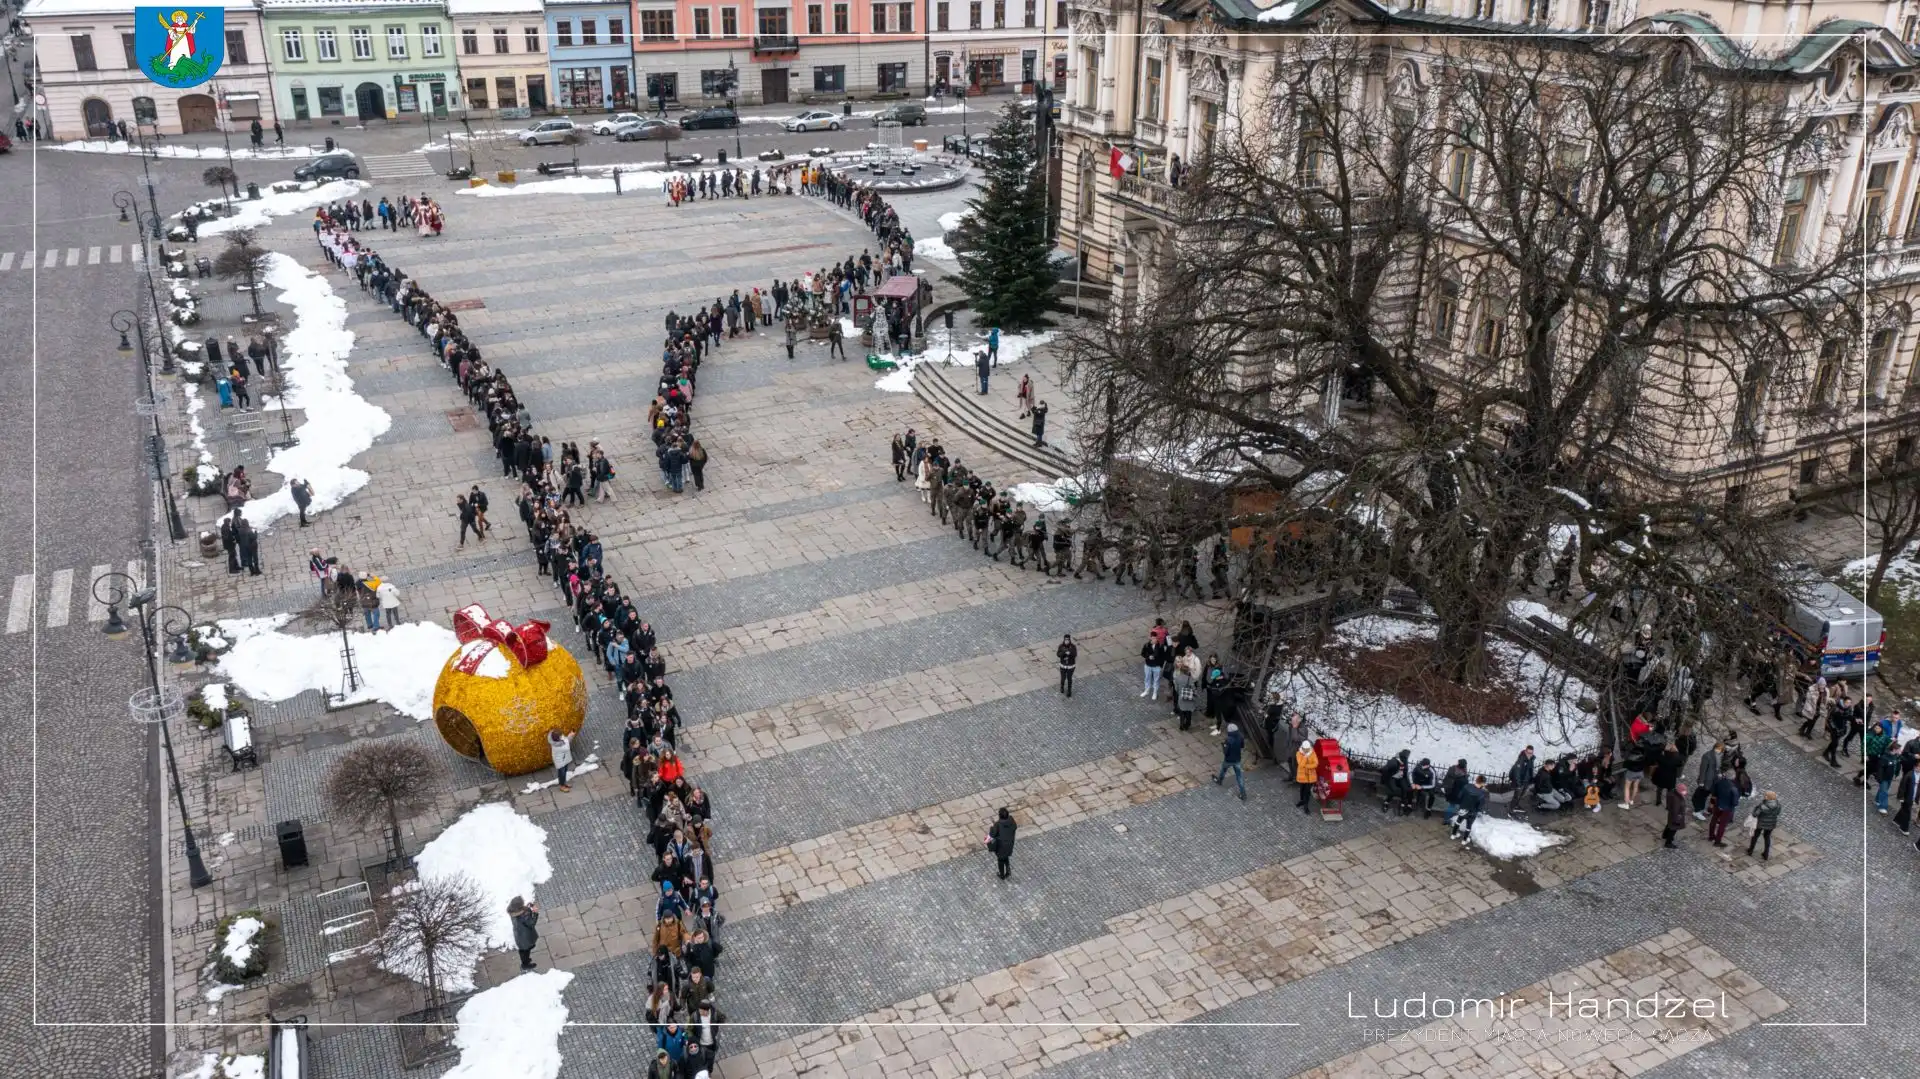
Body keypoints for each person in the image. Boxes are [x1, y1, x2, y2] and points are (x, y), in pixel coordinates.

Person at [1707, 768, 1740, 847]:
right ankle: (1717, 842)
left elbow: (1714, 793)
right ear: (1733, 777)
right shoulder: (1734, 788)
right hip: (1727, 809)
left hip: (1718, 804)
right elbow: (1735, 802)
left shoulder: (1719, 782)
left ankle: (1711, 836)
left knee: (1714, 819)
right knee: (1722, 825)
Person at [1215, 723, 1247, 800]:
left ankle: (1219, 781)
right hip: (1237, 759)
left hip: (1228, 760)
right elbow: (1242, 746)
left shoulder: (1228, 740)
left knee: (1223, 770)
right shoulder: (1241, 737)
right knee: (1239, 776)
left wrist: (1223, 746)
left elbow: (1226, 752)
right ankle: (1243, 793)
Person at [1746, 791, 1781, 859]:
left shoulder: (1762, 806)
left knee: (1755, 837)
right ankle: (1766, 854)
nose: (1764, 796)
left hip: (1760, 823)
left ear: (1768, 797)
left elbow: (1755, 814)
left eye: (1766, 795)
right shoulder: (1778, 805)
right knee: (1767, 837)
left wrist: (1755, 809)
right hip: (1771, 823)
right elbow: (1778, 813)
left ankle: (1750, 850)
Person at [509, 896, 540, 970]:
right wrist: (535, 913)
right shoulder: (523, 916)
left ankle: (525, 960)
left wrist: (527, 908)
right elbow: (531, 923)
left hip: (519, 935)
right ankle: (525, 964)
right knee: (526, 950)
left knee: (523, 949)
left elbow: (523, 914)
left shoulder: (513, 912)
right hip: (525, 937)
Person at [987, 807, 1017, 879]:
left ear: (1000, 816)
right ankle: (1008, 870)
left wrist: (991, 828)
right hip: (1010, 844)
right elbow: (1014, 827)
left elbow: (992, 834)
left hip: (1001, 846)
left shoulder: (998, 824)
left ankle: (1002, 875)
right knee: (1005, 856)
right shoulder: (1011, 820)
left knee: (1000, 860)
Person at [1294, 739, 1318, 814]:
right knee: (1302, 789)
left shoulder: (1312, 753)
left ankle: (1306, 806)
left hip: (1310, 777)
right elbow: (1301, 764)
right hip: (1302, 776)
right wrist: (1305, 756)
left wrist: (1307, 766)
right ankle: (1302, 801)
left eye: (1307, 749)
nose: (1306, 750)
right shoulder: (1298, 753)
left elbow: (1316, 763)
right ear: (1302, 748)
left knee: (1307, 791)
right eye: (1305, 749)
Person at [1662, 781, 1688, 849]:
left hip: (1671, 815)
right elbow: (1676, 810)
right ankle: (1668, 842)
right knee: (1673, 829)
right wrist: (1678, 818)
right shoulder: (1677, 799)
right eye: (1683, 791)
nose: (1685, 792)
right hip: (1676, 817)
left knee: (1669, 824)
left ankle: (1665, 835)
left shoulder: (1672, 793)